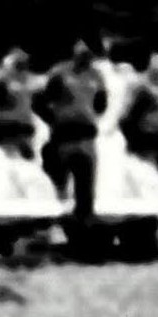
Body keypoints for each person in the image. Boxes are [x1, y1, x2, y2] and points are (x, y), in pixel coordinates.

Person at [35, 42, 108, 227]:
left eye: (89, 55)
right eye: (82, 55)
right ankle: (54, 222)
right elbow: (39, 100)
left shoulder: (96, 75)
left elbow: (101, 102)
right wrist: (54, 118)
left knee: (85, 182)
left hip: (86, 134)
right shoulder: (60, 73)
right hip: (63, 134)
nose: (86, 58)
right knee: (59, 179)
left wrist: (91, 115)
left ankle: (84, 221)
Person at [120, 51, 158, 183]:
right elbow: (127, 114)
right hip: (145, 135)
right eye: (157, 71)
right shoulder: (141, 87)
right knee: (142, 170)